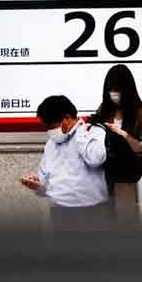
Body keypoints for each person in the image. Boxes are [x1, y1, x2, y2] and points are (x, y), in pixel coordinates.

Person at [20, 95, 110, 230]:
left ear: (67, 118)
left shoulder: (92, 132)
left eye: (52, 126)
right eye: (47, 127)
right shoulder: (51, 144)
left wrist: (80, 132)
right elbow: (45, 184)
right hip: (59, 214)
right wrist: (37, 185)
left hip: (92, 213)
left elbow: (96, 159)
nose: (50, 131)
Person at [87, 64, 142, 219]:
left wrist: (123, 135)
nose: (114, 93)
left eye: (117, 89)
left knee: (131, 220)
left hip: (131, 178)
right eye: (111, 89)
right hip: (105, 175)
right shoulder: (103, 111)